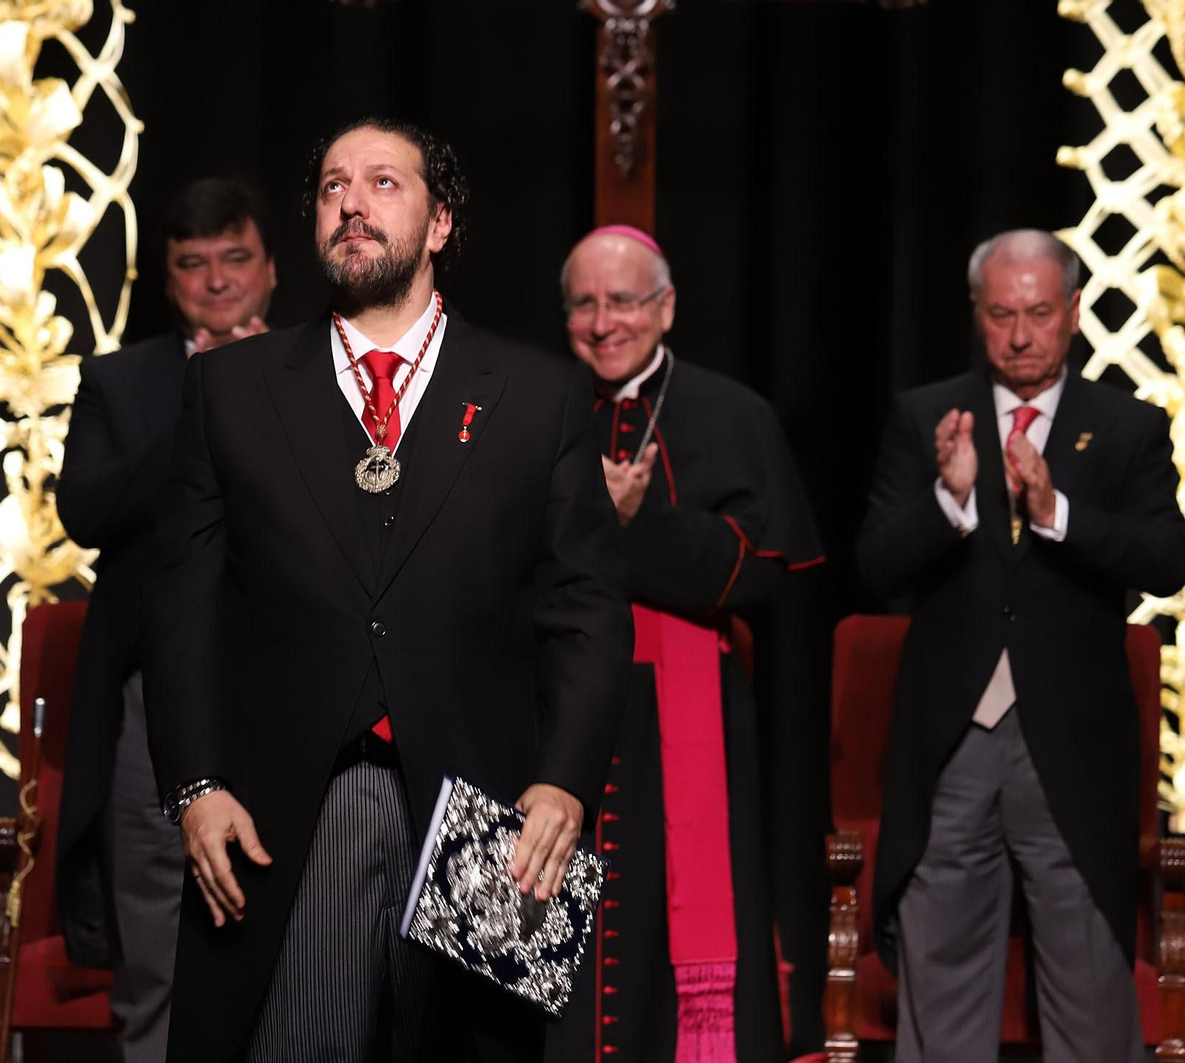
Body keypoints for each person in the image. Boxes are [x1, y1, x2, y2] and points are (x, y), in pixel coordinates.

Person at [143, 117, 631, 1063]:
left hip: (485, 812)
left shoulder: (538, 395)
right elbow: (180, 608)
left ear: (441, 222)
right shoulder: (230, 389)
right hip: (283, 810)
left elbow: (587, 610)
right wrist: (196, 786)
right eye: (333, 187)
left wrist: (567, 780)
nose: (352, 204)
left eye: (382, 183)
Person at [858, 228, 1185, 1062]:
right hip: (953, 742)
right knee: (942, 981)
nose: (1019, 335)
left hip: (1072, 749)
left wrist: (1057, 514)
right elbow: (876, 564)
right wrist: (949, 499)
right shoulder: (928, 416)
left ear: (1072, 311)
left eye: (1038, 314)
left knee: (1090, 992)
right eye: (1001, 314)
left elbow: (1167, 558)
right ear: (978, 313)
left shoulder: (1128, 426)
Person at [546, 226, 821, 1063]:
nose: (603, 322)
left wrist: (640, 522)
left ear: (665, 308)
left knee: (671, 936)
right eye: (585, 304)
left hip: (683, 720)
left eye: (623, 301)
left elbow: (762, 569)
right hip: (556, 713)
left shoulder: (731, 413)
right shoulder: (535, 407)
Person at [55, 176, 277, 1062]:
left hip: (291, 683)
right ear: (168, 278)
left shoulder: (324, 366)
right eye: (193, 263)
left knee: (296, 948)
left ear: (271, 269)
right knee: (155, 950)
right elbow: (85, 512)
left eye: (235, 258)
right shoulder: (121, 380)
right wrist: (203, 397)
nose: (217, 280)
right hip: (158, 692)